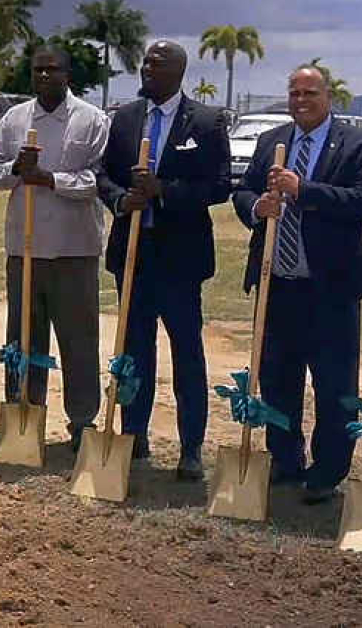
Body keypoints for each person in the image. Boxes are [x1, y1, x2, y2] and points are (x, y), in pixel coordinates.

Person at [232, 64, 362, 504]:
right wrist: (256, 206)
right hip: (277, 284)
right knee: (278, 378)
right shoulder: (271, 141)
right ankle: (285, 459)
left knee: (334, 385)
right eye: (294, 92)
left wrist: (304, 190)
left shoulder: (359, 145)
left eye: (309, 92)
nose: (300, 100)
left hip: (331, 289)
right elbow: (241, 190)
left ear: (328, 96)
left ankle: (327, 470)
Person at [97, 40, 230, 480]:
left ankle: (191, 447)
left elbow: (218, 187)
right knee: (134, 350)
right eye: (146, 63)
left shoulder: (207, 122)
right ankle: (133, 434)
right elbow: (104, 176)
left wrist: (164, 191)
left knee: (186, 353)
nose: (148, 69)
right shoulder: (127, 117)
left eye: (158, 64)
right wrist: (122, 200)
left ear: (178, 71)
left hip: (181, 259)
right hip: (132, 255)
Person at [0, 46, 110, 452]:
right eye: (38, 70)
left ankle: (81, 421)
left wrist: (48, 179)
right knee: (23, 338)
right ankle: (24, 411)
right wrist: (15, 170)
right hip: (24, 250)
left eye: (52, 70)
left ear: (67, 73)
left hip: (74, 249)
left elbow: (97, 181)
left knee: (78, 339)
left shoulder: (92, 120)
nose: (44, 76)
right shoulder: (16, 118)